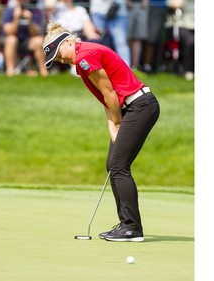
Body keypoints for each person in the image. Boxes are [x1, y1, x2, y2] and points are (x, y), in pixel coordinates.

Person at [42, 23, 160, 242]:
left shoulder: (86, 56)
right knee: (113, 164)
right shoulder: (82, 62)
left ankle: (132, 228)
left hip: (140, 106)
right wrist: (111, 125)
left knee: (118, 165)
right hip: (132, 108)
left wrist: (117, 123)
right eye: (57, 60)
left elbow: (111, 94)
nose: (62, 60)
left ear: (68, 41)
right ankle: (127, 224)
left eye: (60, 55)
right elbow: (105, 97)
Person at [1, 0, 49, 76]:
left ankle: (43, 70)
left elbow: (36, 33)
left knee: (39, 40)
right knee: (11, 39)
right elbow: (9, 31)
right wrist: (16, 18)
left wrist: (29, 20)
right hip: (14, 42)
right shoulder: (9, 11)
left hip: (29, 41)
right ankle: (10, 71)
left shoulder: (36, 12)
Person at [89, 0, 131, 66]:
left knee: (120, 42)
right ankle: (97, 66)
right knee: (99, 42)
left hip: (119, 11)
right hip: (98, 11)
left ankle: (125, 67)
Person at [165, 0, 194, 80]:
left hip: (193, 25)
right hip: (180, 25)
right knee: (191, 41)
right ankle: (188, 70)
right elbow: (174, 4)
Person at [142, 0, 167, 73]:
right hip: (152, 6)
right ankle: (147, 66)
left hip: (163, 7)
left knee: (159, 39)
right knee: (151, 38)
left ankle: (158, 65)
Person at [127, 0, 149, 70]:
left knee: (137, 37)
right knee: (128, 37)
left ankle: (134, 66)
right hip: (127, 7)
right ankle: (127, 63)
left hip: (141, 6)